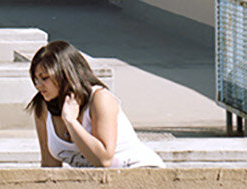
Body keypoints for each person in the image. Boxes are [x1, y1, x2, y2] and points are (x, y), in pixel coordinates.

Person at [27, 40, 163, 169]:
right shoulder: (43, 106)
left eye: (44, 78)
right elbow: (50, 165)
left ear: (65, 75)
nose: (38, 85)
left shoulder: (100, 99)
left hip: (141, 172)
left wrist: (71, 121)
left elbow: (103, 160)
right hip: (99, 184)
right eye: (36, 79)